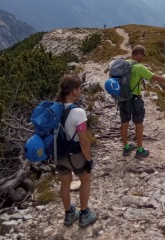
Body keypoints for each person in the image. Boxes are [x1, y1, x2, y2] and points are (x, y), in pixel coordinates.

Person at [120, 44, 165, 158]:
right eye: (143, 55)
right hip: (135, 99)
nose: (143, 57)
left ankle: (126, 148)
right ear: (138, 54)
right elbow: (156, 77)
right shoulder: (139, 67)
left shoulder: (123, 64)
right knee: (138, 124)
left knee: (124, 123)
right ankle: (140, 150)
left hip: (122, 98)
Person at [54, 74, 98, 227]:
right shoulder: (78, 112)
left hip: (58, 154)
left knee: (65, 183)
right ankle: (84, 214)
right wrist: (89, 159)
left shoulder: (54, 109)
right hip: (75, 155)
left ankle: (69, 214)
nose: (80, 91)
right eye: (79, 88)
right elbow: (83, 141)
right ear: (73, 91)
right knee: (85, 179)